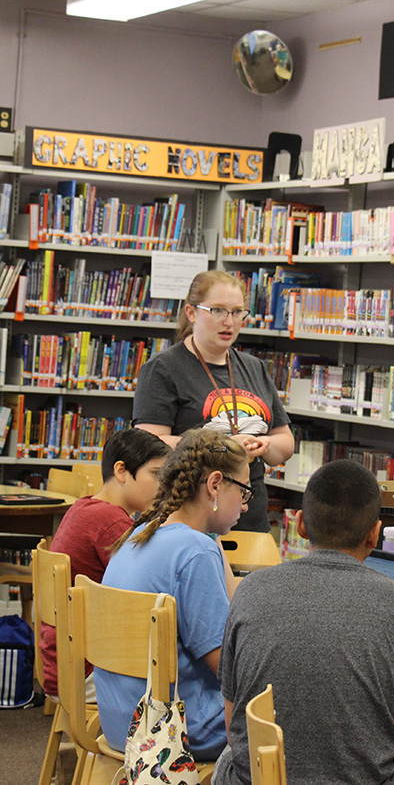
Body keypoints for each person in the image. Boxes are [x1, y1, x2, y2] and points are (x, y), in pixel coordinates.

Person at [214, 459, 394, 785]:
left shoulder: (250, 590)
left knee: (230, 758)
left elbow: (233, 725)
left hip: (261, 777)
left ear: (300, 524)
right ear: (374, 534)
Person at [94, 429, 251, 759]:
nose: (246, 506)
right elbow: (226, 668)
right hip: (173, 730)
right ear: (215, 485)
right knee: (291, 710)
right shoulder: (194, 551)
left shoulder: (139, 534)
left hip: (118, 720)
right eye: (244, 491)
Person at [132, 270, 294, 533]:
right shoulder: (164, 368)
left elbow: (285, 443)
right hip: (189, 516)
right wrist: (225, 447)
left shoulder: (254, 368)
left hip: (249, 516)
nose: (229, 322)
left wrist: (264, 445)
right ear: (192, 312)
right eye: (218, 310)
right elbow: (149, 443)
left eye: (237, 312)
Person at [39, 427, 170, 697]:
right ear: (121, 471)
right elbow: (147, 591)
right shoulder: (111, 522)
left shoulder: (84, 507)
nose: (163, 486)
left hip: (63, 662)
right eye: (156, 475)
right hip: (87, 670)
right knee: (181, 674)